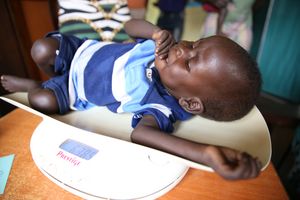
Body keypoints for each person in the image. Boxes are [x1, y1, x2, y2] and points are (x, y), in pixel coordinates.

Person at [1, 19, 262, 180]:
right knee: (41, 48)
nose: (183, 49)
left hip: (74, 88)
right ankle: (51, 74)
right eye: (195, 44)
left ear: (190, 103)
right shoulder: (162, 46)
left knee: (41, 101)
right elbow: (128, 26)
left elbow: (142, 135)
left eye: (191, 62)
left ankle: (37, 85)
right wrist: (155, 32)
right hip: (81, 51)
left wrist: (206, 154)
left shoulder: (162, 104)